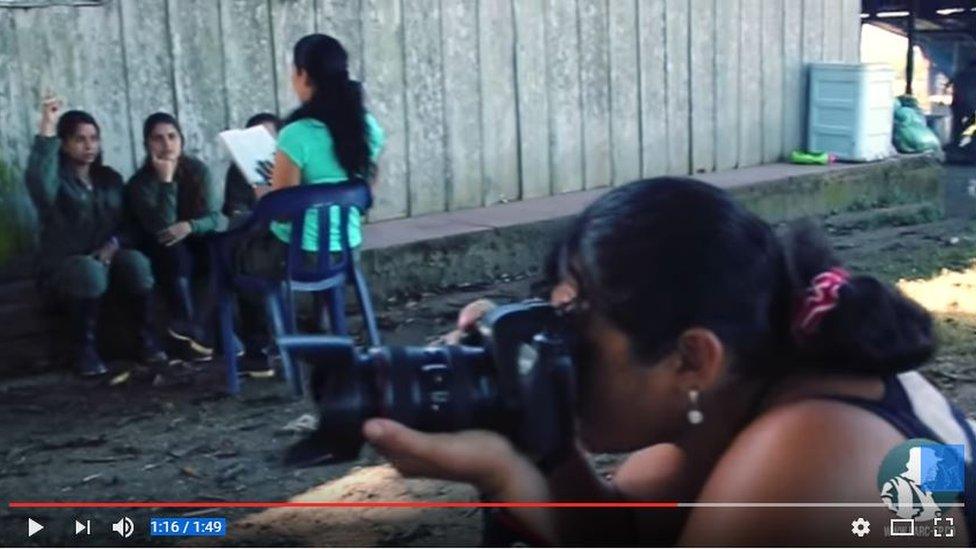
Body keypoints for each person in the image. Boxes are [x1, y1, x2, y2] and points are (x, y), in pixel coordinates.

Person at [360, 178, 975, 546]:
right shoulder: (745, 384)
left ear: (690, 357)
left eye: (577, 336)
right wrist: (531, 443)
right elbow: (615, 533)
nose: (559, 360)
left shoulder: (806, 448)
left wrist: (504, 477)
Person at [235, 33, 384, 354]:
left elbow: (282, 209)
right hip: (347, 250)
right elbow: (365, 193)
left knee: (234, 255)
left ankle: (257, 347)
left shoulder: (296, 135)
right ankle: (326, 325)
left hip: (296, 257)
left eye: (294, 72)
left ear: (303, 75)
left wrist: (262, 189)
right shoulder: (367, 126)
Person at [25, 93, 167, 376]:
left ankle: (144, 341)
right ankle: (84, 350)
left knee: (137, 264)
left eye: (93, 138)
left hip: (107, 258)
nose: (88, 146)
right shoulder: (57, 182)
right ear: (64, 145)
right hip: (65, 264)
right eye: (79, 139)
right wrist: (47, 128)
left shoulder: (109, 179)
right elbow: (39, 184)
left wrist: (114, 244)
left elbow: (130, 223)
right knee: (89, 272)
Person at [126, 112, 225, 362]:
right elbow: (161, 226)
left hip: (195, 237)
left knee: (216, 250)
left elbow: (216, 218)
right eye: (158, 139)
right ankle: (194, 334)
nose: (167, 144)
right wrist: (166, 181)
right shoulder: (140, 183)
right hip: (160, 246)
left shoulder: (198, 170)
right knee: (174, 250)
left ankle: (194, 328)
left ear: (181, 140)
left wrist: (191, 226)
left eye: (172, 137)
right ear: (147, 144)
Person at [223, 112, 281, 222]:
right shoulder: (238, 170)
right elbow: (235, 209)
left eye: (268, 137)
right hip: (254, 229)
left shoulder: (292, 164)